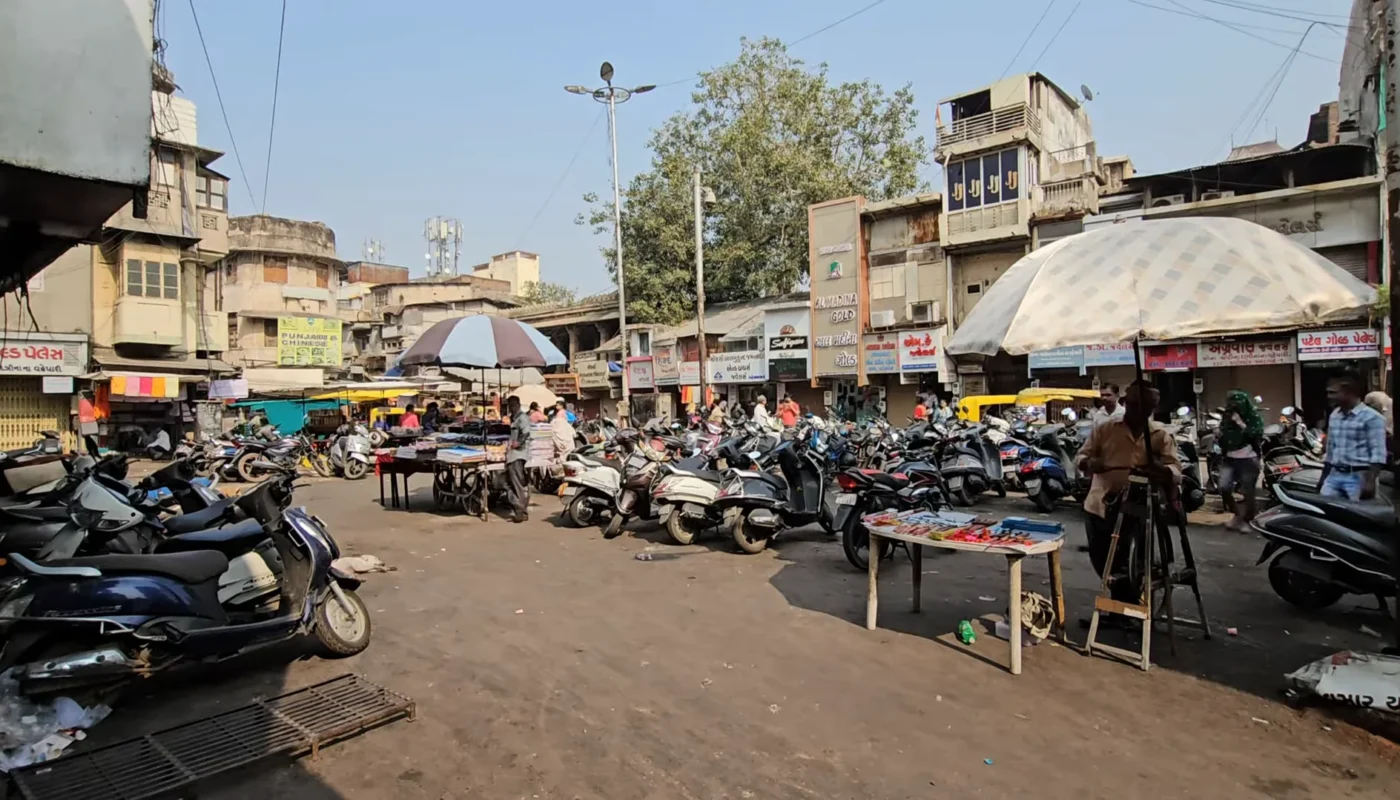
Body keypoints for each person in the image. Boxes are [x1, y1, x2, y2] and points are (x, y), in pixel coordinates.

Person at [1077, 378, 1181, 522]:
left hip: (1140, 507)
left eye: (1145, 407)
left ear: (1152, 409)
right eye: (1135, 405)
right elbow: (1081, 457)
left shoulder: (1160, 435)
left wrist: (1162, 470)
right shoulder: (1104, 429)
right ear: (1127, 403)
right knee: (1100, 544)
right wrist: (1089, 463)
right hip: (1101, 504)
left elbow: (1175, 468)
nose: (1139, 411)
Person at [1319, 371, 1387, 501]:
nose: (1329, 396)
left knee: (1358, 516)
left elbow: (1378, 454)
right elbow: (1331, 451)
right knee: (1327, 513)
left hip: (1359, 477)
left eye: (1333, 392)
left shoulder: (1372, 418)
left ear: (1348, 392)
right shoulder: (1335, 415)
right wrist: (1323, 478)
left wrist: (1370, 481)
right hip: (1335, 475)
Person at [1217, 390, 1264, 532]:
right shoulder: (1227, 415)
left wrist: (1240, 422)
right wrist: (1219, 435)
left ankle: (1247, 520)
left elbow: (1256, 433)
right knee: (1224, 487)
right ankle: (1237, 516)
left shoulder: (1252, 416)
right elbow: (1223, 432)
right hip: (1229, 458)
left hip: (1248, 459)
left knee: (1247, 492)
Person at [505, 396, 531, 522]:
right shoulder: (513, 418)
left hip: (518, 455)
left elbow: (526, 433)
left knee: (516, 484)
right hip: (511, 455)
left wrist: (518, 443)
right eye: (510, 405)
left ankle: (521, 511)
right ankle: (521, 511)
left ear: (518, 404)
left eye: (513, 405)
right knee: (510, 483)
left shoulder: (522, 418)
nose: (511, 407)